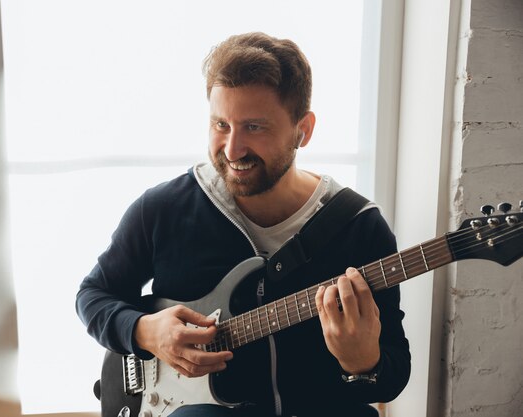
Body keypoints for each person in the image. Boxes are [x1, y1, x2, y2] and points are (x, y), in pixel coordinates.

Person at [76, 32, 410, 417]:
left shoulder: (359, 227)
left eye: (254, 127)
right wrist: (145, 331)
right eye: (221, 125)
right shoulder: (162, 209)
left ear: (304, 129)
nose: (233, 150)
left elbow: (394, 376)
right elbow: (93, 294)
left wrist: (363, 362)